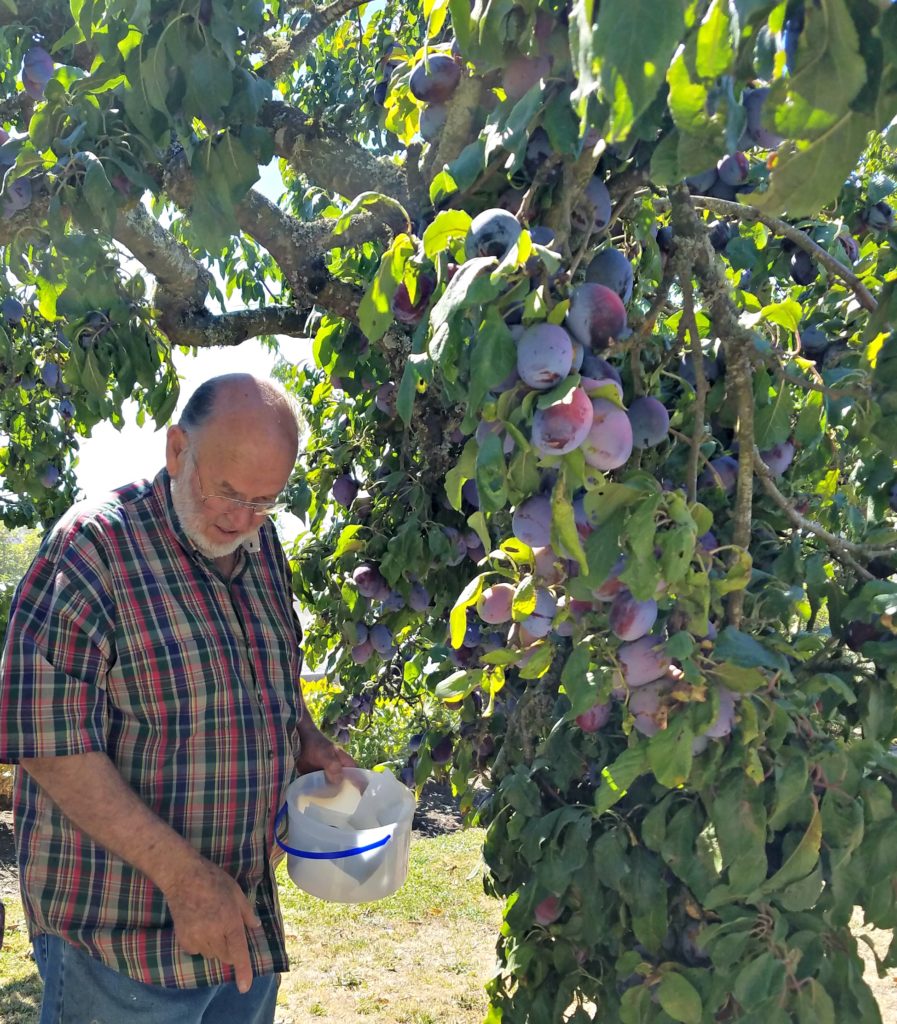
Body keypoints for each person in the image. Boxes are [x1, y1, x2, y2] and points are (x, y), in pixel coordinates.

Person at [0, 373, 355, 1023]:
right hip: (118, 942)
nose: (239, 518)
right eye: (225, 491)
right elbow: (45, 746)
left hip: (240, 924)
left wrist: (308, 741)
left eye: (263, 501)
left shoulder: (261, 545)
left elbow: (270, 682)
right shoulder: (95, 547)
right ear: (175, 451)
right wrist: (188, 882)